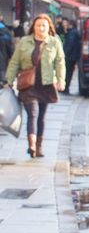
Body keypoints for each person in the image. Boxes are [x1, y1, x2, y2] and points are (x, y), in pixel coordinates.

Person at [3, 14, 66, 158]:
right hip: (28, 86)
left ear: (49, 27)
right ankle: (31, 145)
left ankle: (39, 146)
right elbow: (14, 62)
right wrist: (8, 80)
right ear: (34, 27)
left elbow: (60, 62)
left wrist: (61, 80)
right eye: (38, 25)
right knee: (33, 113)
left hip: (46, 85)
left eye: (44, 25)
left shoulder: (54, 42)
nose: (41, 28)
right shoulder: (25, 42)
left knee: (41, 117)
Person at [62, 18, 81, 94]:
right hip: (72, 56)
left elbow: (70, 44)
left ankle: (66, 88)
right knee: (68, 73)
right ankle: (66, 87)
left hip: (70, 57)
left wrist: (64, 54)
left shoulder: (72, 32)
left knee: (68, 73)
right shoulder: (72, 32)